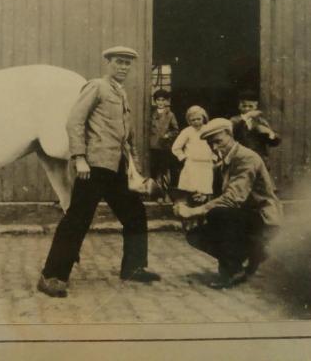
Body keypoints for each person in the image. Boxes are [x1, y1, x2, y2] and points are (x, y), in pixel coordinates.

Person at [37, 46, 161, 298]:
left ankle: (134, 268)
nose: (123, 67)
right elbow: (74, 121)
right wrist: (79, 157)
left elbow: (128, 136)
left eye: (127, 63)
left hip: (117, 168)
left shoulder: (121, 93)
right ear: (108, 63)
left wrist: (134, 168)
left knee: (135, 214)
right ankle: (51, 276)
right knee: (77, 219)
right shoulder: (97, 87)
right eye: (119, 62)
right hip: (94, 168)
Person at [174, 118, 282, 289]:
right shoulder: (225, 161)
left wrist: (194, 211)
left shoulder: (246, 158)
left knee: (218, 213)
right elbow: (223, 195)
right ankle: (253, 251)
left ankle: (233, 269)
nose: (215, 148)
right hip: (243, 216)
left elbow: (233, 198)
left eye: (218, 141)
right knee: (195, 235)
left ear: (229, 135)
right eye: (211, 144)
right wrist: (202, 200)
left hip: (262, 217)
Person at [171, 105, 216, 202]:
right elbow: (176, 147)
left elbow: (216, 146)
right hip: (192, 164)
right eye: (193, 120)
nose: (196, 122)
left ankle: (204, 213)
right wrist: (183, 157)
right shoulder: (187, 131)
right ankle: (187, 211)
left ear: (204, 118)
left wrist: (214, 158)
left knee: (205, 189)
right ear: (189, 121)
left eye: (198, 119)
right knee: (190, 189)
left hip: (206, 164)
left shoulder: (209, 130)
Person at [230, 90, 281, 168]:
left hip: (260, 161)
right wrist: (247, 116)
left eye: (250, 106)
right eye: (244, 106)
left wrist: (270, 133)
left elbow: (274, 142)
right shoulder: (234, 120)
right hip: (241, 161)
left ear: (256, 107)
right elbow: (232, 131)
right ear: (239, 106)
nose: (247, 109)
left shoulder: (261, 121)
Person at [149, 89, 180, 194]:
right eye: (158, 100)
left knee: (164, 170)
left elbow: (176, 130)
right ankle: (153, 192)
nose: (160, 102)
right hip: (153, 145)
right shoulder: (151, 113)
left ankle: (164, 192)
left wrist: (168, 135)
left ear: (167, 101)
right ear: (155, 101)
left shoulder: (170, 115)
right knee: (153, 169)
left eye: (163, 100)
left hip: (164, 146)